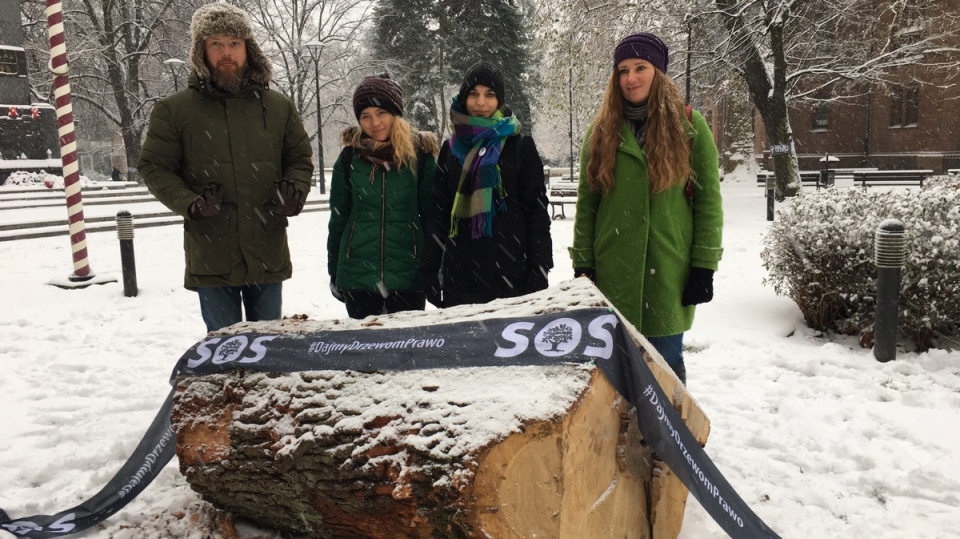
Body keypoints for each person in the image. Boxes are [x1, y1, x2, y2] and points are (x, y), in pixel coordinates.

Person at [138, 2, 314, 333]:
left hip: (266, 247)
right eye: (216, 43)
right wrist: (191, 203)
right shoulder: (174, 110)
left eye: (234, 43)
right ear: (201, 50)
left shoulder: (278, 107)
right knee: (223, 348)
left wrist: (295, 191)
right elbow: (154, 166)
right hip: (212, 251)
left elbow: (300, 159)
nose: (226, 52)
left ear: (249, 49)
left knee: (269, 346)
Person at [569, 32, 724, 385]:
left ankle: (670, 439)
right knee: (613, 370)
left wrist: (704, 265)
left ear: (659, 72)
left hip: (668, 270)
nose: (631, 78)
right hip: (613, 270)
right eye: (623, 70)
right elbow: (588, 204)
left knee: (665, 366)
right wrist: (583, 262)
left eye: (640, 67)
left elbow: (709, 203)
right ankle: (621, 439)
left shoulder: (690, 127)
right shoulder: (601, 132)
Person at [422, 61, 552, 307]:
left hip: (512, 277)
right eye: (473, 94)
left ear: (499, 100)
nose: (481, 103)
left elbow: (536, 212)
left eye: (490, 95)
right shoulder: (450, 151)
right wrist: (429, 268)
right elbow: (439, 212)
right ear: (464, 97)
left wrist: (541, 268)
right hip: (460, 279)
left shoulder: (520, 147)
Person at [327, 74, 438, 319]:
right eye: (365, 116)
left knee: (408, 348)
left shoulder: (419, 156)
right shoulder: (349, 159)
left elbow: (432, 217)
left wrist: (434, 266)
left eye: (381, 113)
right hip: (358, 272)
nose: (374, 122)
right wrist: (335, 269)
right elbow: (338, 219)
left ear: (395, 113)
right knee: (363, 351)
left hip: (409, 271)